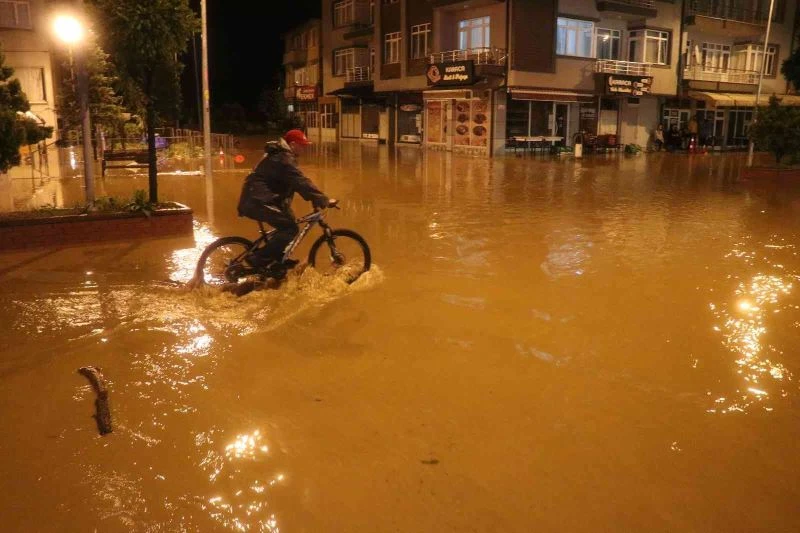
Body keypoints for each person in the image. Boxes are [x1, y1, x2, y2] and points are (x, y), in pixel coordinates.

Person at [237, 129, 334, 270]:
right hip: (258, 200)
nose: (304, 149)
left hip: (262, 197)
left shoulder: (281, 155)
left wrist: (313, 198)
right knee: (290, 228)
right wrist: (323, 198)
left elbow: (293, 182)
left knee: (289, 220)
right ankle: (258, 259)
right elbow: (300, 181)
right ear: (293, 144)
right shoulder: (284, 159)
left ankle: (277, 259)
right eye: (302, 145)